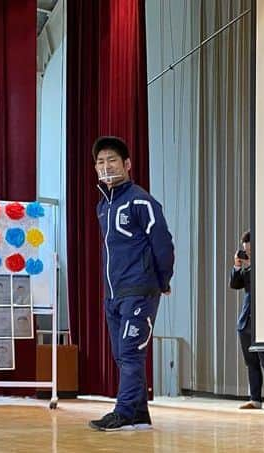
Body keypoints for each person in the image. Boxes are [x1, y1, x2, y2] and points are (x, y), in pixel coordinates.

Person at [89, 136, 175, 432]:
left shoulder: (141, 200)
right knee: (120, 354)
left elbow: (163, 243)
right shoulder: (103, 206)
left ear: (126, 164)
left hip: (140, 290)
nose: (106, 166)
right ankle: (138, 413)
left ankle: (123, 411)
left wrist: (163, 280)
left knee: (130, 351)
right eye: (100, 162)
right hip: (113, 294)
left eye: (112, 160)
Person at [229, 230, 264, 410]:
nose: (248, 254)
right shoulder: (247, 267)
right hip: (245, 320)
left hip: (262, 320)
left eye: (252, 251)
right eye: (246, 251)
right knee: (251, 363)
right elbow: (235, 284)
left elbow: (260, 284)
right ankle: (255, 399)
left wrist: (251, 265)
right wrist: (238, 267)